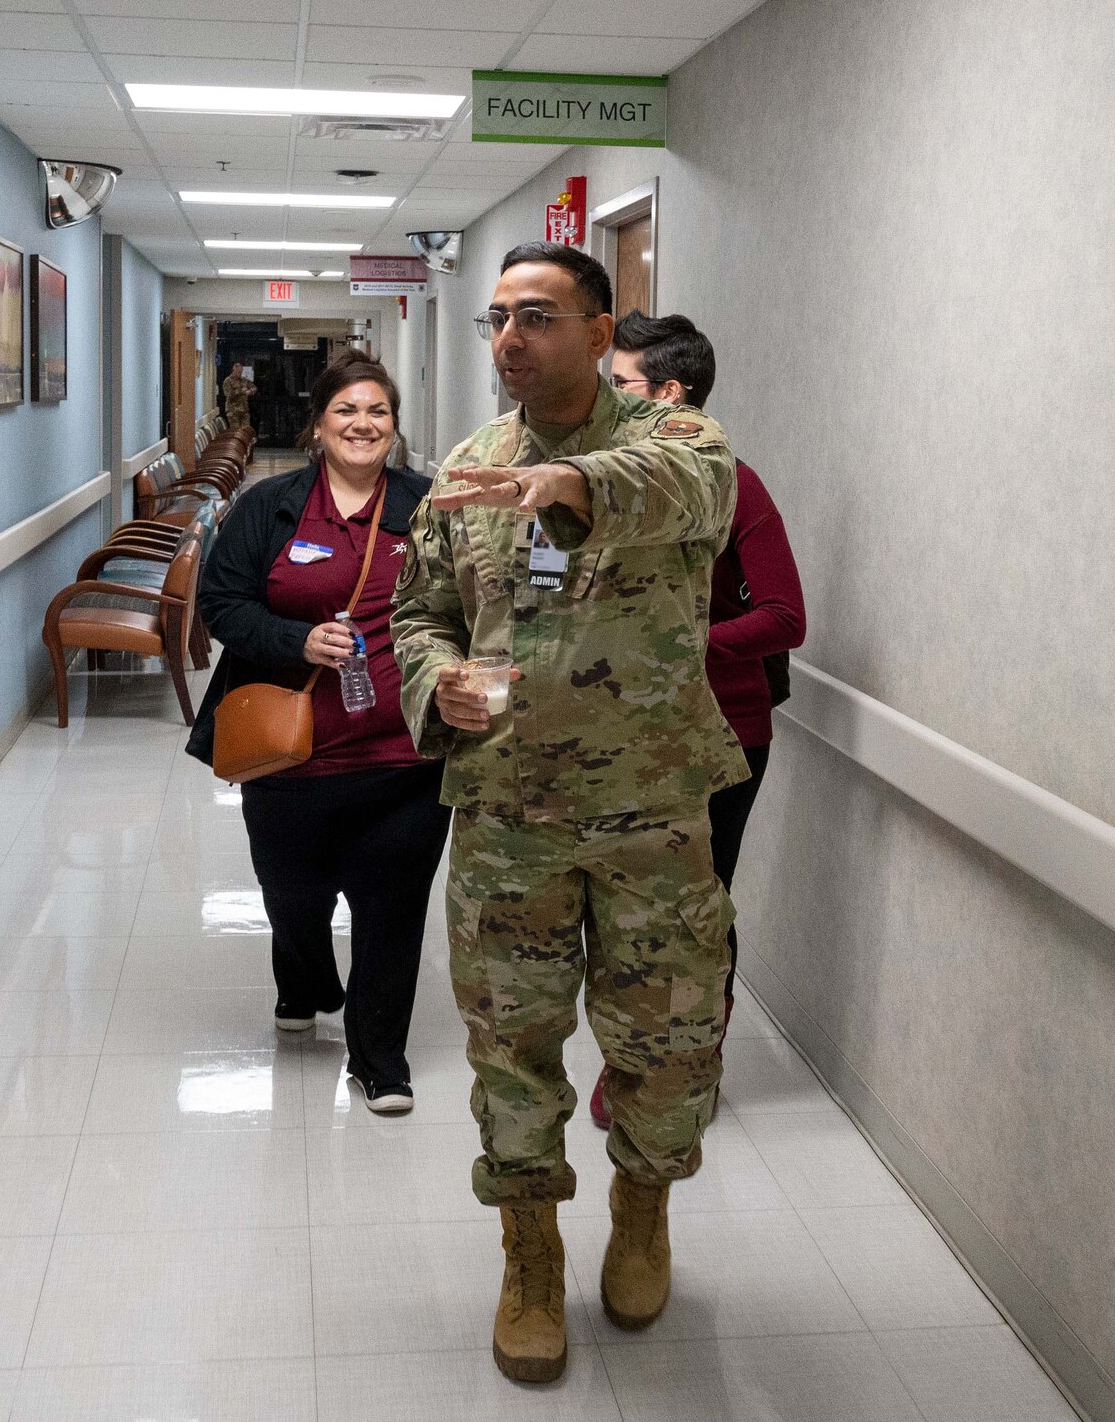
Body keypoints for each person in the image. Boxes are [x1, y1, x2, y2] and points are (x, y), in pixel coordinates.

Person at [390, 243, 746, 1383]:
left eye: (536, 316)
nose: (508, 338)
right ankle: (529, 1253)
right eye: (496, 317)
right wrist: (430, 679)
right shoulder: (464, 468)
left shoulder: (673, 443)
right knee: (510, 1049)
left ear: (601, 334)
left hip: (650, 816)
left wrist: (575, 485)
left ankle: (641, 1211)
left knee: (668, 1043)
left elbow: (693, 499)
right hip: (505, 819)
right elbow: (418, 611)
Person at [189, 350, 446, 1114]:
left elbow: (470, 601)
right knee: (292, 897)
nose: (364, 425)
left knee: (392, 911)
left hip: (403, 754)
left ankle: (380, 1060)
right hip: (290, 753)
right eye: (347, 411)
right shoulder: (271, 508)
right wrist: (294, 641)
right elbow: (221, 603)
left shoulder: (427, 508)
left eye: (378, 412)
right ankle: (302, 979)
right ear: (318, 425)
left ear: (394, 426)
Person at [588, 311, 807, 1129]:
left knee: (697, 908)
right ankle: (629, 1058)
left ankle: (694, 1066)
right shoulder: (605, 478)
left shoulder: (735, 487)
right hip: (616, 734)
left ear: (670, 395)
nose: (606, 400)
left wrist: (676, 645)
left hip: (721, 735)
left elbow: (786, 618)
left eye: (622, 386)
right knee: (623, 908)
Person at [221, 361, 256, 430]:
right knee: (236, 432)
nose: (240, 373)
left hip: (244, 410)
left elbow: (254, 388)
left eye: (241, 372)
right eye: (238, 371)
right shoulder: (228, 381)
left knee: (245, 432)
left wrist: (250, 391)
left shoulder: (244, 380)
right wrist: (240, 391)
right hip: (233, 411)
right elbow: (228, 394)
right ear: (234, 370)